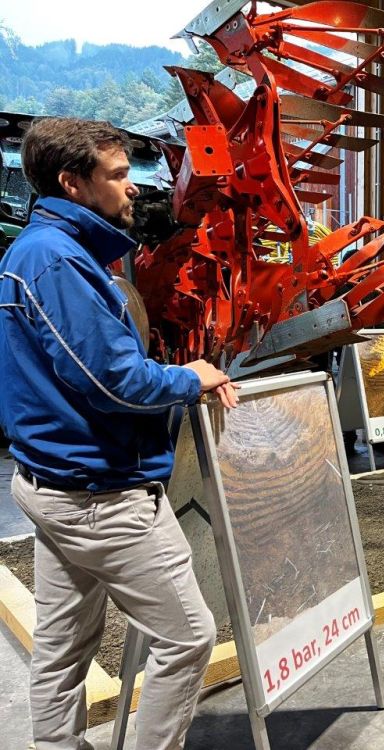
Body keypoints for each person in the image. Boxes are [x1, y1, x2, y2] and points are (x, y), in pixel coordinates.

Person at [0, 117, 238, 750]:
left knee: (63, 640)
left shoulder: (48, 252)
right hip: (100, 491)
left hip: (54, 484)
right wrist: (190, 376)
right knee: (187, 636)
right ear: (72, 184)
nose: (133, 188)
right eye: (118, 174)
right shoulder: (55, 261)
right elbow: (115, 382)